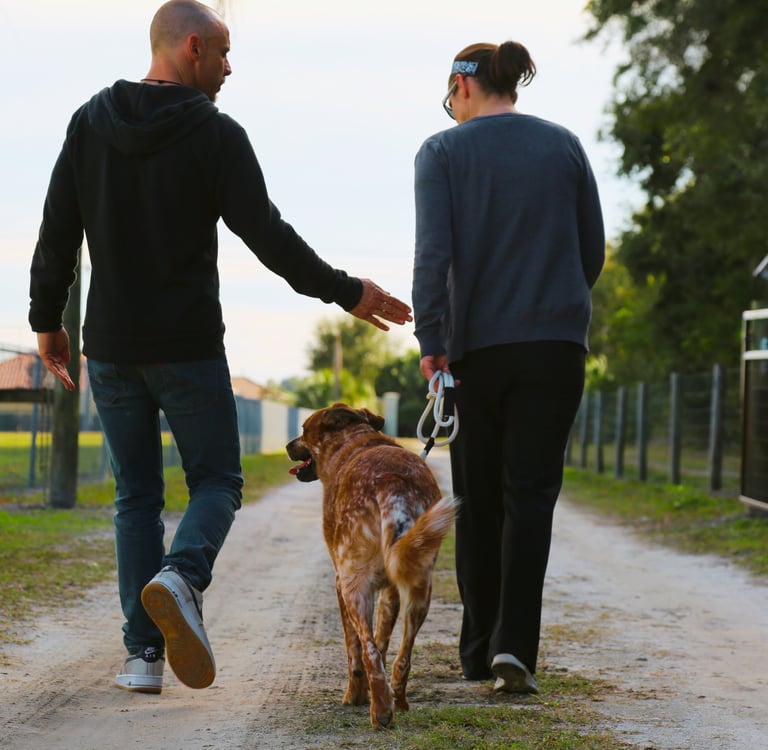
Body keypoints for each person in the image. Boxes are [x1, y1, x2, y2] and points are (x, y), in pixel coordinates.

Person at [29, 0, 411, 695]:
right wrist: (346, 290)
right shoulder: (213, 134)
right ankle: (181, 575)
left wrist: (44, 319)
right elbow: (267, 235)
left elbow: (58, 231)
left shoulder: (90, 121)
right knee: (217, 482)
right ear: (193, 47)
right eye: (226, 53)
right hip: (187, 348)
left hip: (110, 349)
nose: (231, 68)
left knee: (135, 495)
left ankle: (142, 659)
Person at [411, 41, 605, 694]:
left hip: (475, 352)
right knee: (532, 497)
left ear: (462, 87)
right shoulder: (564, 146)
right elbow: (592, 251)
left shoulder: (441, 153)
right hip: (555, 347)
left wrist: (432, 341)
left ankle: (476, 649)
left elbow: (432, 255)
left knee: (480, 497)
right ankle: (514, 648)